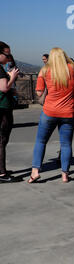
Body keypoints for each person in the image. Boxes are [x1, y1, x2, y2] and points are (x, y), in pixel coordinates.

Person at [29, 47, 74, 183]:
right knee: (66, 144)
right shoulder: (72, 68)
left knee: (41, 141)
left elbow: (39, 93)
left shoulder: (45, 70)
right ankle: (65, 174)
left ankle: (35, 172)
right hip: (68, 112)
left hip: (49, 111)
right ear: (64, 56)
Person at [0, 42, 19, 183]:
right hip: (3, 108)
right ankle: (2, 173)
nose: (8, 58)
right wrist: (12, 77)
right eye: (7, 55)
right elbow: (4, 88)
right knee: (2, 140)